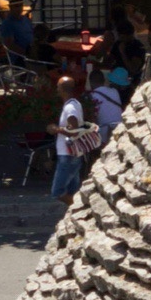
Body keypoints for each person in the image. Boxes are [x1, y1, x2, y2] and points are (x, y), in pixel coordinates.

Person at [48, 75, 86, 206]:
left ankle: (83, 209)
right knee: (73, 191)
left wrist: (56, 129)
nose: (57, 89)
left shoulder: (70, 107)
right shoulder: (75, 104)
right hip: (72, 153)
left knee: (57, 191)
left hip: (67, 155)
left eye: (58, 86)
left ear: (62, 89)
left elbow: (73, 128)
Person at [89, 65, 123, 146]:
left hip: (105, 135)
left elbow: (92, 119)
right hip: (120, 128)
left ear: (90, 82)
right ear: (104, 81)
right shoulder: (115, 91)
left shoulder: (91, 96)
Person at [0, 0, 34, 64]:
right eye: (16, 6)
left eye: (20, 5)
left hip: (31, 52)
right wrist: (26, 54)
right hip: (18, 57)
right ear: (10, 8)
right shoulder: (7, 23)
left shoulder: (26, 20)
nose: (19, 8)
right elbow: (10, 45)